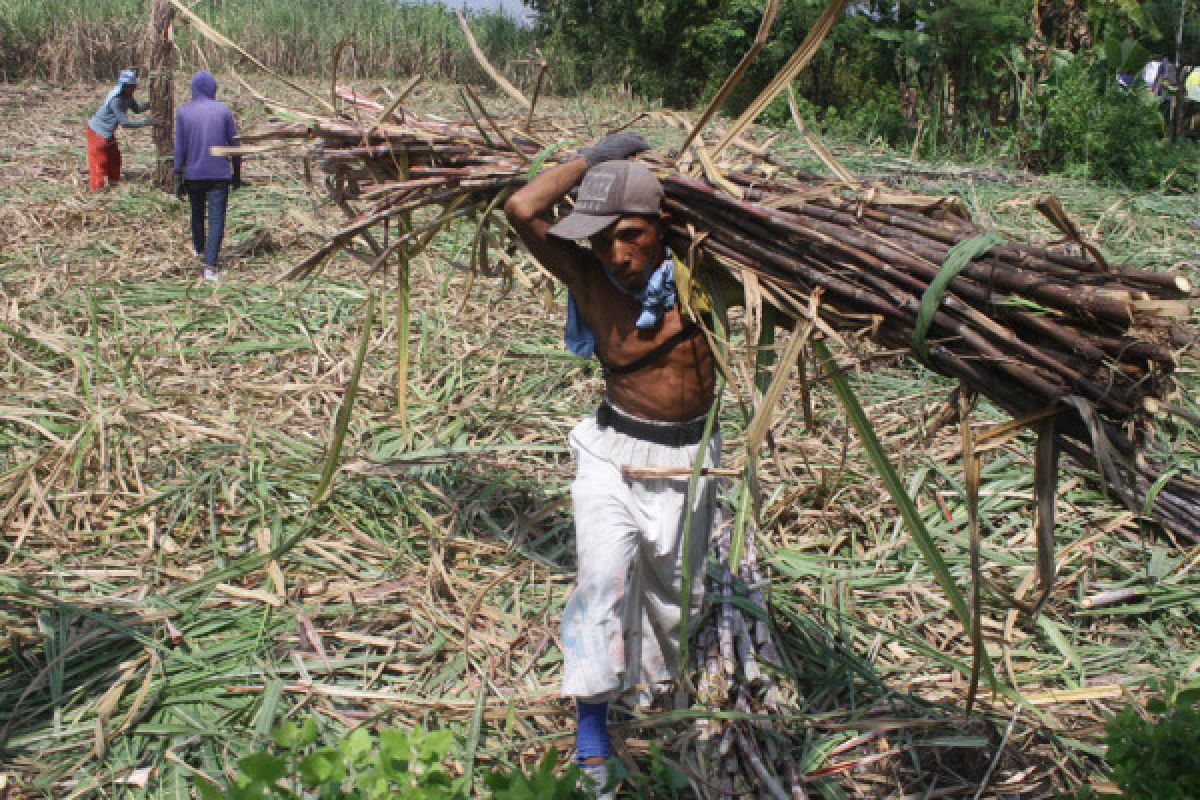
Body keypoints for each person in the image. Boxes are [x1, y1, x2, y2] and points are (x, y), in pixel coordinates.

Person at [504, 135, 721, 798]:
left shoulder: (706, 277)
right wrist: (593, 158)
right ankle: (592, 727)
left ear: (660, 227)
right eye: (601, 240)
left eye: (629, 236)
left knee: (678, 596)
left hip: (691, 458)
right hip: (612, 455)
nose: (617, 256)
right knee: (600, 584)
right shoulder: (590, 279)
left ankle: (659, 696)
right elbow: (521, 207)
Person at [173, 69, 242, 281]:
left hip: (193, 175)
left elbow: (179, 148)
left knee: (196, 214)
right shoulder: (223, 111)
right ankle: (210, 267)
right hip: (218, 176)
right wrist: (237, 173)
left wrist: (178, 175)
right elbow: (235, 145)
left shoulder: (183, 112)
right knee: (216, 220)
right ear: (213, 89)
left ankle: (199, 251)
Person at [86, 68, 155, 190]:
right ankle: (97, 190)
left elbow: (137, 109)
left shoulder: (127, 96)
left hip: (107, 132)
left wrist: (152, 103)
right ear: (123, 85)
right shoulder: (116, 100)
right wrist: (146, 122)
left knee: (114, 158)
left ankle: (114, 183)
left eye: (133, 86)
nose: (131, 89)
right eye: (129, 86)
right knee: (99, 161)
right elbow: (125, 123)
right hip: (97, 132)